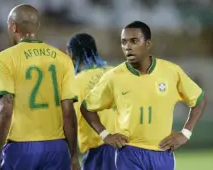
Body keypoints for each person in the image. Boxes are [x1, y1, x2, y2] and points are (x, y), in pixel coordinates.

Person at [80, 21, 207, 170]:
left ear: (148, 44)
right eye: (124, 42)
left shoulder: (171, 72)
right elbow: (87, 107)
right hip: (129, 153)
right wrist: (105, 134)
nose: (128, 46)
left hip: (163, 152)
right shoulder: (113, 77)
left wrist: (185, 133)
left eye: (134, 41)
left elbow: (199, 100)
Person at [0, 4, 79, 170]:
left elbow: (5, 110)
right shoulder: (63, 59)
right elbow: (68, 112)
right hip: (57, 148)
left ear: (13, 26)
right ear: (37, 27)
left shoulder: (4, 59)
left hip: (21, 147)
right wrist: (73, 155)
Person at [66, 33, 116, 170]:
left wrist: (72, 156)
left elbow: (70, 122)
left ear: (71, 54)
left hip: (101, 152)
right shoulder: (116, 72)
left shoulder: (75, 82)